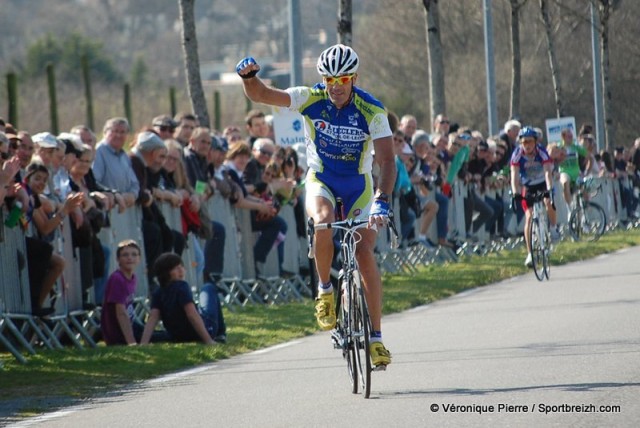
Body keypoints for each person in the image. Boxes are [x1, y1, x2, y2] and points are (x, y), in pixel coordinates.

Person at [236, 43, 396, 367]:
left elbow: (388, 161)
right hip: (321, 179)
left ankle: (376, 338)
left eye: (343, 80)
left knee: (364, 253)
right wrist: (249, 78)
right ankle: (324, 291)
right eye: (329, 80)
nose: (335, 88)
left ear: (355, 78)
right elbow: (263, 95)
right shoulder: (311, 97)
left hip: (358, 186)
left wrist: (382, 201)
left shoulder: (372, 110)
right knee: (322, 221)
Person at [140, 252, 227, 345]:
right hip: (202, 332)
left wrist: (143, 343)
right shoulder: (182, 286)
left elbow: (153, 318)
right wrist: (208, 340)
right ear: (165, 272)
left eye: (181, 266)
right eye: (175, 268)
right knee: (208, 287)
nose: (181, 270)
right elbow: (191, 314)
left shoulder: (158, 292)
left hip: (177, 336)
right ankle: (220, 333)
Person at [510, 127, 560, 268]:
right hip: (528, 186)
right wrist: (515, 192)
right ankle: (530, 253)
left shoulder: (541, 151)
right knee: (529, 217)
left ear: (535, 141)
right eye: (524, 142)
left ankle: (553, 228)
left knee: (548, 201)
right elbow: (514, 175)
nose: (527, 145)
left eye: (530, 141)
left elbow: (547, 173)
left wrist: (549, 188)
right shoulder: (517, 154)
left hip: (543, 183)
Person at [100, 240, 145, 345]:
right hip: (118, 331)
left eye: (134, 255)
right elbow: (121, 313)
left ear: (139, 259)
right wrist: (131, 342)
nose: (130, 258)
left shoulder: (133, 278)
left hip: (131, 324)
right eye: (125, 255)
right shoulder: (117, 279)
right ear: (117, 259)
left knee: (158, 334)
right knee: (161, 337)